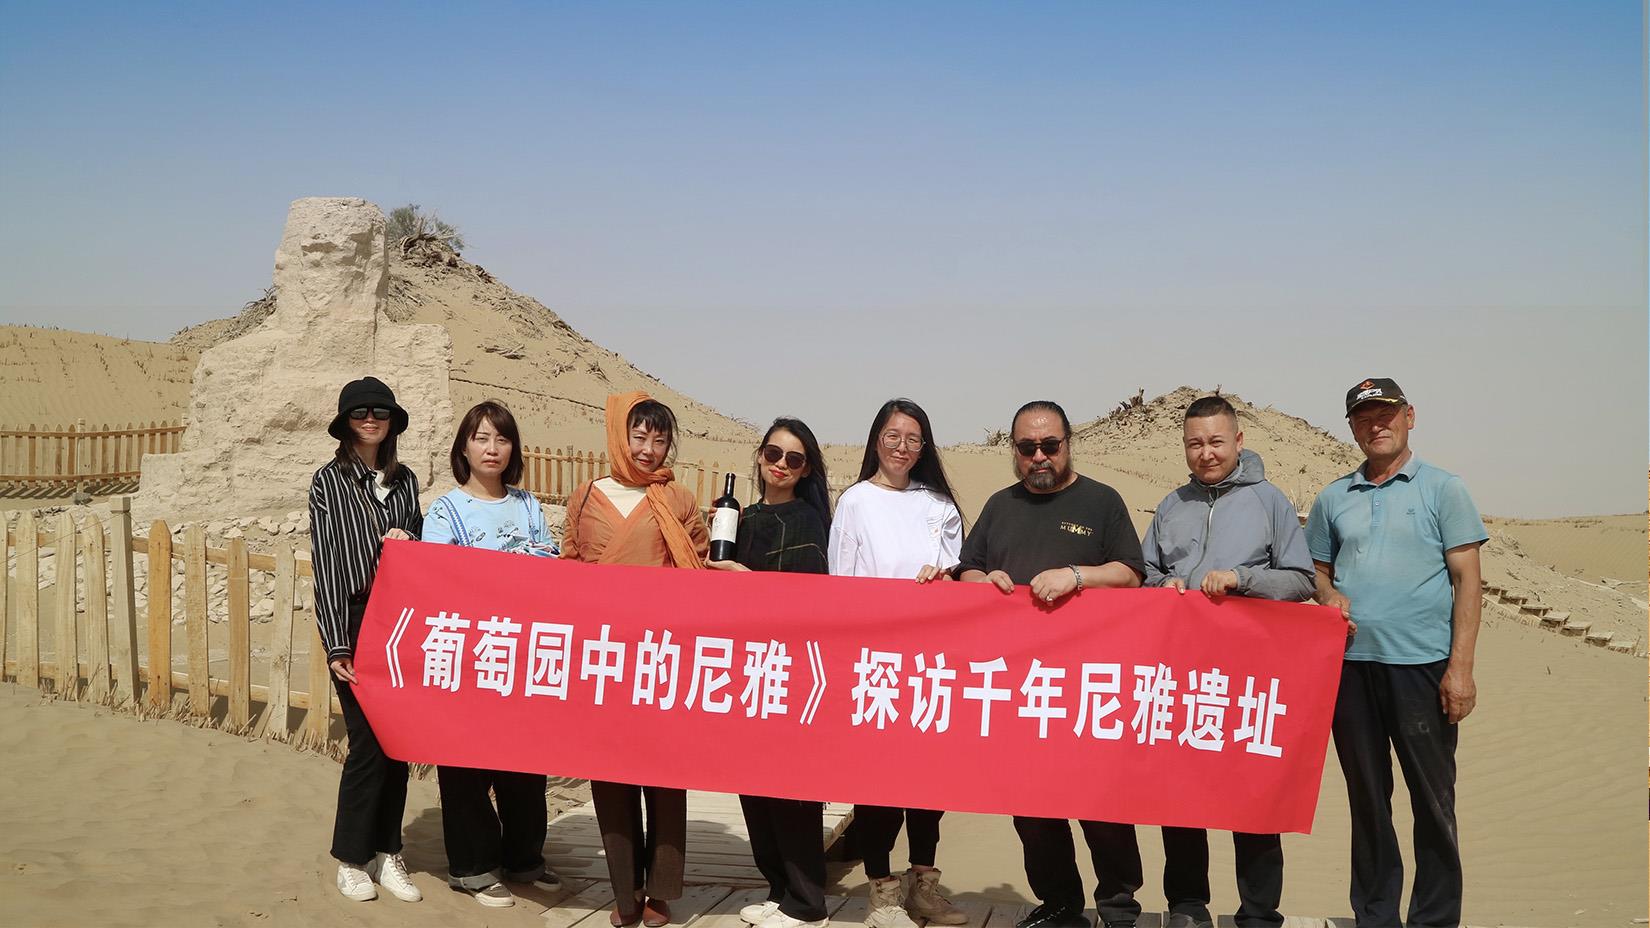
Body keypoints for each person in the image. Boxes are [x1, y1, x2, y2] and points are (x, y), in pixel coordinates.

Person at [1097, 395, 1316, 928]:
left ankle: (1259, 913)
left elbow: (1301, 579)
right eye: (1195, 443)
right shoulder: (1172, 505)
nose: (1206, 453)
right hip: (1181, 673)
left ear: (1238, 441)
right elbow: (1144, 571)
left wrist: (1243, 579)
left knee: (1254, 797)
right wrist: (1162, 585)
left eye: (1216, 441)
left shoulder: (1269, 502)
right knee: (1180, 796)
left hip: (1249, 676)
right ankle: (1187, 905)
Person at [954, 400, 1146, 928]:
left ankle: (1119, 907)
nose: (1039, 456)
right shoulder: (1000, 506)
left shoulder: (1102, 501)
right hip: (1019, 685)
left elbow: (1132, 573)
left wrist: (1077, 575)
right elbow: (967, 568)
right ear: (1014, 450)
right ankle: (1060, 903)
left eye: (1049, 445)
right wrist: (984, 581)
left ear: (1067, 444)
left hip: (1089, 684)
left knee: (1101, 804)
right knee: (1032, 806)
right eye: (1027, 447)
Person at [1306, 379, 1485, 928]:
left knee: (1433, 801)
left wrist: (1460, 669)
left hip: (1423, 668)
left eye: (1385, 414)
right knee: (1367, 800)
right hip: (1351, 669)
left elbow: (1468, 581)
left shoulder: (1443, 489)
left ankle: (1434, 919)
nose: (1375, 425)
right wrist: (1328, 595)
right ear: (1352, 427)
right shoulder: (1333, 497)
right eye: (1363, 418)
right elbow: (1316, 571)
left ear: (1409, 415)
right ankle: (1376, 915)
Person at [562, 391, 710, 928]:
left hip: (661, 656)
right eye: (639, 436)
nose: (648, 449)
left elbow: (698, 567)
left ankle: (661, 891)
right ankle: (625, 893)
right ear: (619, 436)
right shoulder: (585, 496)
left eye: (660, 439)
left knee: (665, 776)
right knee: (610, 775)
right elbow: (570, 567)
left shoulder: (680, 500)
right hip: (603, 656)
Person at [828, 398, 969, 928]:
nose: (902, 447)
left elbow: (959, 579)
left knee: (928, 782)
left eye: (913, 438)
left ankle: (924, 886)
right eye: (893, 436)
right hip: (876, 665)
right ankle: (882, 894)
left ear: (924, 446)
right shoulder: (855, 502)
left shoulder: (939, 505)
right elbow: (841, 584)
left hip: (930, 663)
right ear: (876, 440)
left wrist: (945, 579)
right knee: (879, 782)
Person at [422, 400, 561, 907]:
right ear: (464, 447)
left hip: (523, 652)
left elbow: (550, 566)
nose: (492, 448)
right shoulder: (445, 511)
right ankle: (473, 867)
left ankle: (524, 858)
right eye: (481, 438)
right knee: (466, 763)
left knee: (525, 762)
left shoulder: (528, 505)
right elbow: (437, 580)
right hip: (468, 653)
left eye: (501, 439)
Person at [707, 417, 834, 928]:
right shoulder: (740, 516)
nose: (781, 465)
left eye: (794, 459)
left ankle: (807, 902)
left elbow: (806, 601)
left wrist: (743, 578)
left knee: (790, 787)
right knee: (753, 783)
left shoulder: (808, 521)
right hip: (743, 668)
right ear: (760, 456)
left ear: (806, 470)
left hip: (789, 669)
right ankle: (779, 890)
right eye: (774, 454)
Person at [309, 376, 425, 905]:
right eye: (360, 412)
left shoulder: (405, 481)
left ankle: (387, 851)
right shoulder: (328, 481)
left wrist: (408, 539)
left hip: (402, 621)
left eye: (380, 411)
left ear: (392, 421)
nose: (371, 419)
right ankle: (351, 858)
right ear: (346, 423)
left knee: (397, 741)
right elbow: (328, 564)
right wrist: (337, 643)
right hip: (356, 619)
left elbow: (422, 546)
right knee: (367, 742)